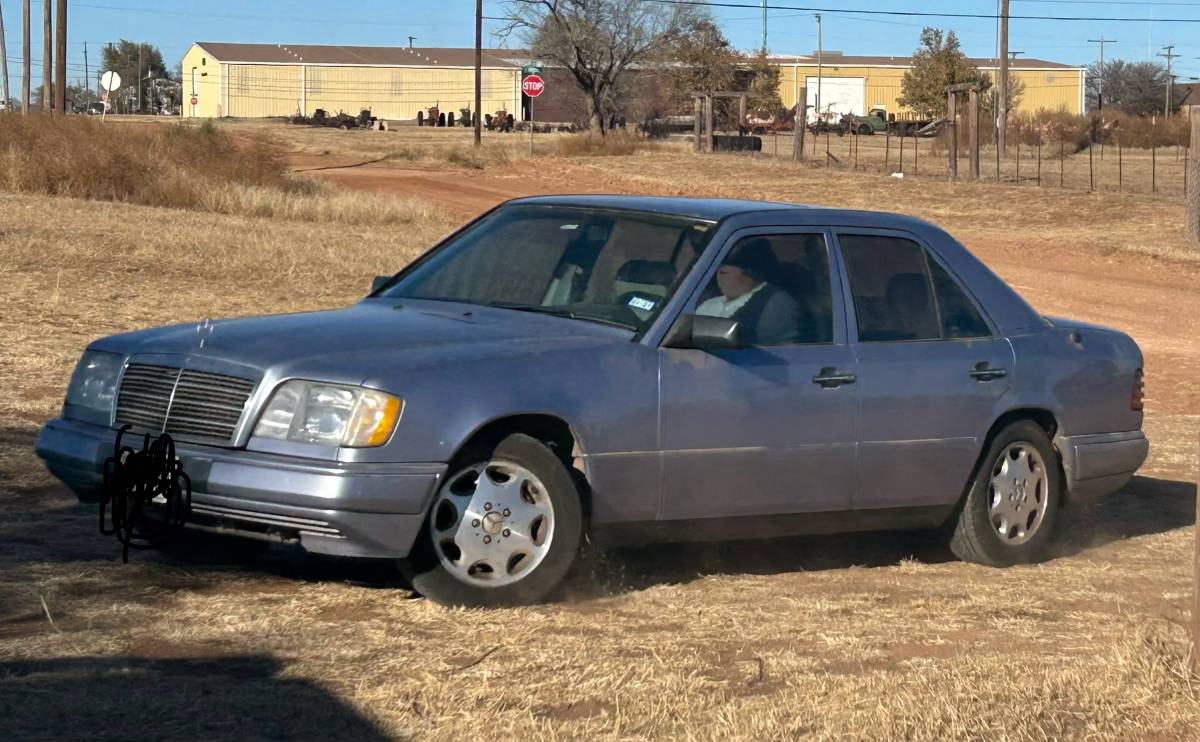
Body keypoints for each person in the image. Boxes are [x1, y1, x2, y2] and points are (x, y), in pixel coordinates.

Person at [696, 238, 801, 346]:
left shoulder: (776, 302)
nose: (718, 278)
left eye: (724, 273)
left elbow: (777, 347)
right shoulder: (709, 304)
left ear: (750, 275)